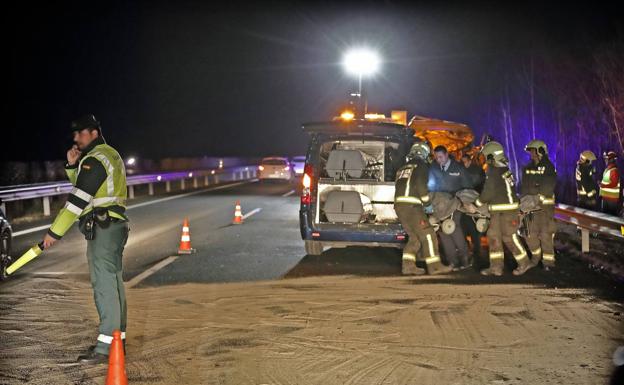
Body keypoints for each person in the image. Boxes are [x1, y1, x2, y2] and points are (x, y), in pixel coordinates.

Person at [42, 114, 129, 364]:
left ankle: (105, 349)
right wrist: (73, 167)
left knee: (104, 287)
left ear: (93, 132)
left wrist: (53, 234)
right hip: (113, 224)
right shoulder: (108, 154)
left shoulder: (96, 159)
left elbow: (78, 201)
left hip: (104, 227)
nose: (75, 138)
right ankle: (116, 342)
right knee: (113, 284)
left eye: (79, 133)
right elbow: (91, 191)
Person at [472, 141, 532, 276]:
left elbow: (488, 192)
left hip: (507, 212)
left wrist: (476, 204)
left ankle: (524, 263)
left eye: (486, 156)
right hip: (499, 211)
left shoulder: (493, 171)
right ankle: (496, 267)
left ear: (491, 157)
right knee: (493, 236)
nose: (485, 159)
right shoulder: (505, 169)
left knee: (509, 237)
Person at [394, 142, 453, 275]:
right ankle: (435, 267)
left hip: (400, 207)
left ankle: (408, 266)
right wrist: (428, 206)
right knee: (428, 234)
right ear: (424, 154)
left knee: (414, 237)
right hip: (412, 206)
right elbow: (421, 187)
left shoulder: (402, 168)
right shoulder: (421, 166)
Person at [428, 145, 472, 270]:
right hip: (439, 205)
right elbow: (429, 185)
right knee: (443, 233)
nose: (439, 160)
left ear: (447, 154)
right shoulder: (433, 167)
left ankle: (465, 259)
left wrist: (464, 201)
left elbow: (467, 185)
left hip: (454, 204)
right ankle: (453, 261)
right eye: (436, 157)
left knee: (454, 229)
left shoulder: (458, 168)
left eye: (441, 157)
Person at [520, 139, 557, 270]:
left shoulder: (549, 167)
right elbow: (524, 188)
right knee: (529, 235)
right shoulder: (527, 168)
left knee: (546, 235)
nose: (530, 153)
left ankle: (548, 263)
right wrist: (524, 203)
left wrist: (536, 197)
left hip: (545, 209)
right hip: (531, 210)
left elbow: (547, 187)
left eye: (532, 150)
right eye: (530, 151)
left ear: (540, 151)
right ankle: (535, 258)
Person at [460, 152, 486, 264]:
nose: (464, 164)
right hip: (465, 202)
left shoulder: (477, 170)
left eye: (465, 162)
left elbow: (481, 184)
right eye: (462, 162)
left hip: (473, 201)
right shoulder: (461, 170)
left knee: (474, 228)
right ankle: (469, 249)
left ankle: (477, 251)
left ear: (469, 161)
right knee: (464, 225)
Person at [599, 151, 620, 216]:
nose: (605, 160)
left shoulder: (614, 170)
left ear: (611, 160)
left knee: (611, 219)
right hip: (606, 198)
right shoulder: (608, 169)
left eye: (606, 159)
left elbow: (614, 184)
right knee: (605, 219)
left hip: (612, 200)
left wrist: (603, 185)